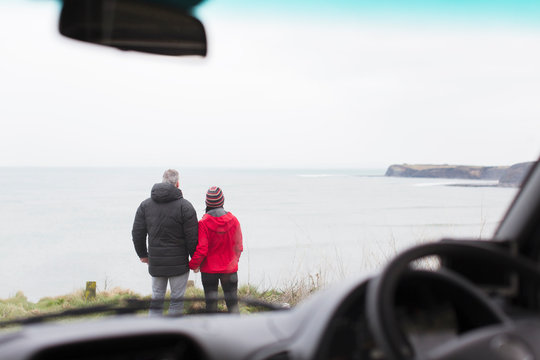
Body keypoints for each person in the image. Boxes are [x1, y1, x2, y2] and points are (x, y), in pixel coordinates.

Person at [132, 169, 198, 316]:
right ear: (178, 184)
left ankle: (153, 335)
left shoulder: (145, 206)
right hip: (179, 264)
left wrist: (142, 254)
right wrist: (195, 260)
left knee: (156, 298)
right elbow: (192, 237)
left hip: (156, 262)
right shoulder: (185, 206)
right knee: (176, 300)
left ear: (162, 181)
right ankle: (172, 336)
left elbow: (137, 233)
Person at [189, 186, 243, 313]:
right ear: (222, 201)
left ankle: (212, 331)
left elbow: (202, 249)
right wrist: (234, 262)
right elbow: (239, 247)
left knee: (211, 305)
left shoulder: (203, 223)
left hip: (209, 271)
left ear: (207, 203)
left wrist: (193, 265)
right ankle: (236, 330)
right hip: (230, 270)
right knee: (233, 304)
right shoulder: (234, 220)